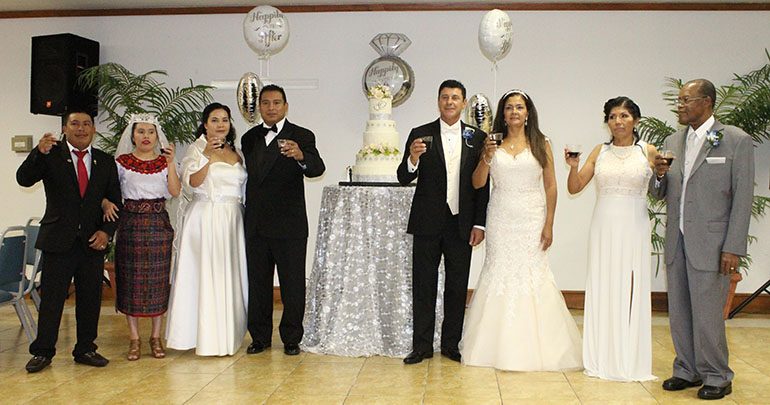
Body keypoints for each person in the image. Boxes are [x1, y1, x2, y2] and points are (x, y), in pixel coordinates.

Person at [460, 89, 582, 371]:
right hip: (501, 217)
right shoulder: (491, 143)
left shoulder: (541, 142)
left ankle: (540, 348)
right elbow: (478, 183)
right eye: (509, 108)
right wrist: (487, 157)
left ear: (528, 113)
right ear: (502, 113)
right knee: (499, 272)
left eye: (520, 107)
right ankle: (493, 347)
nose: (514, 112)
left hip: (531, 218)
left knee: (533, 273)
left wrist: (549, 223)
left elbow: (551, 185)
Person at [649, 79, 754, 400]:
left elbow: (743, 197)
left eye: (686, 100)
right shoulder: (672, 140)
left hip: (713, 244)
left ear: (707, 102)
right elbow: (658, 193)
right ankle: (687, 369)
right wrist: (659, 174)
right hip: (677, 242)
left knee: (708, 313)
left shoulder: (736, 141)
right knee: (679, 310)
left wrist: (734, 246)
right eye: (679, 101)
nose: (679, 106)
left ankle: (717, 375)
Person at [17, 108, 122, 373]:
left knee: (89, 299)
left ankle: (86, 348)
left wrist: (106, 233)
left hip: (91, 242)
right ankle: (43, 352)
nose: (81, 129)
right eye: (75, 124)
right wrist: (37, 153)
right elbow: (24, 178)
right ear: (65, 129)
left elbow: (114, 202)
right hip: (58, 240)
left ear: (93, 130)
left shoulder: (105, 161)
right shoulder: (51, 156)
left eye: (87, 124)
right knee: (52, 300)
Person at [397, 79, 489, 364]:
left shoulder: (477, 137)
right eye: (445, 97)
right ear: (438, 102)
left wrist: (480, 223)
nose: (449, 102)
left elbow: (481, 186)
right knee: (423, 285)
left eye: (455, 98)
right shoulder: (420, 133)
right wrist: (412, 159)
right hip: (427, 222)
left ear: (463, 103)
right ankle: (422, 346)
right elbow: (403, 176)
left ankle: (451, 344)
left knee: (457, 286)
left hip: (461, 223)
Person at [567, 96, 657, 381]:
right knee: (603, 284)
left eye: (624, 116)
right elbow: (575, 186)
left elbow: (661, 187)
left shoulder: (648, 151)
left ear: (636, 120)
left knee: (631, 286)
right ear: (606, 121)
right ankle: (602, 354)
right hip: (603, 223)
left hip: (635, 224)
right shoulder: (599, 151)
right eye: (613, 116)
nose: (618, 121)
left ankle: (630, 355)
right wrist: (573, 165)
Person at [241, 84, 325, 356]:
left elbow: (317, 168)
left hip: (289, 224)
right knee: (258, 283)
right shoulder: (249, 138)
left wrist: (301, 156)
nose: (271, 107)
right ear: (260, 107)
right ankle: (260, 337)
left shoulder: (302, 135)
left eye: (277, 103)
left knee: (292, 285)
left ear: (286, 106)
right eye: (266, 103)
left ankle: (291, 338)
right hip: (256, 223)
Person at [165, 103, 249, 356]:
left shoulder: (236, 152)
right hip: (207, 217)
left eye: (225, 119)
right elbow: (190, 185)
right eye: (214, 120)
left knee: (228, 275)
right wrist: (209, 159)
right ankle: (205, 337)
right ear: (205, 124)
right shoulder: (197, 149)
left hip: (233, 220)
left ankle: (228, 335)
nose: (220, 124)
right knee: (206, 275)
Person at [101, 114, 181, 360]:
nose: (146, 136)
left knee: (158, 281)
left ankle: (156, 337)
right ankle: (134, 338)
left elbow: (176, 191)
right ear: (132, 135)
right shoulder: (121, 163)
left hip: (158, 224)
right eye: (141, 132)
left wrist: (170, 163)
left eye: (151, 132)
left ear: (157, 136)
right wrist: (105, 203)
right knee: (131, 281)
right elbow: (107, 192)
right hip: (131, 224)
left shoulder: (164, 161)